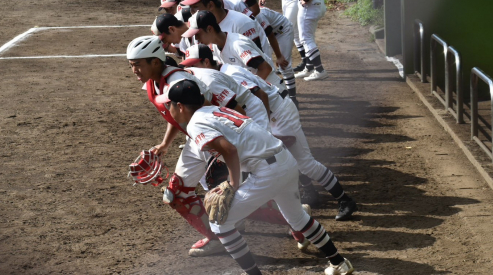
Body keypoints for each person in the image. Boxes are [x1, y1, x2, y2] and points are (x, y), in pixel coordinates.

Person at [155, 79, 355, 275]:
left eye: (169, 104)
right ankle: (338, 263)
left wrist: (233, 185)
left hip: (268, 171)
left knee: (219, 222)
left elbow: (229, 150)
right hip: (285, 161)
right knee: (298, 219)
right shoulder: (215, 110)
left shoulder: (195, 124)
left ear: (179, 106)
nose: (167, 108)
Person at [181, 43, 359, 219]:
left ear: (205, 63)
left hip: (279, 112)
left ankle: (344, 199)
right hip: (268, 114)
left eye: (192, 65)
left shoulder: (229, 73)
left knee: (304, 162)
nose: (190, 71)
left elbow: (261, 95)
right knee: (283, 158)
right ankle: (310, 193)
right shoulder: (216, 76)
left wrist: (264, 130)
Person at [126, 35, 224, 257]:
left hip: (215, 139)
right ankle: (217, 239)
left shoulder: (178, 83)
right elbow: (176, 117)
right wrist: (165, 143)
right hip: (196, 141)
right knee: (175, 194)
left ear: (155, 62)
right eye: (131, 65)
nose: (134, 70)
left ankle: (293, 218)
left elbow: (207, 117)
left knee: (229, 196)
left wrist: (218, 151)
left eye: (138, 65)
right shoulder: (153, 82)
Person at [182, 10, 285, 92]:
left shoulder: (237, 44)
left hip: (275, 93)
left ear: (209, 29)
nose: (196, 38)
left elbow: (265, 69)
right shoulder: (215, 47)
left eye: (197, 34)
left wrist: (251, 93)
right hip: (262, 95)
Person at [182, 0, 274, 59]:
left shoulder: (241, 23)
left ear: (210, 5)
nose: (191, 12)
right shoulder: (198, 27)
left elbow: (261, 65)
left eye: (195, 7)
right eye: (190, 8)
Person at [255, 6, 298, 106]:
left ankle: (293, 99)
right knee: (265, 63)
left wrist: (279, 56)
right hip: (269, 35)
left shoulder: (258, 14)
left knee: (284, 65)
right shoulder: (243, 15)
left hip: (283, 31)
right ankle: (276, 94)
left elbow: (270, 35)